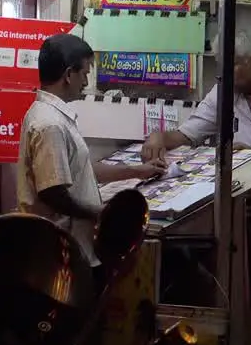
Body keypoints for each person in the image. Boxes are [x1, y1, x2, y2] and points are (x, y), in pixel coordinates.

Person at [18, 34, 164, 266]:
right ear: (68, 75)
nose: (86, 82)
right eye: (84, 74)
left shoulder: (52, 116)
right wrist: (102, 213)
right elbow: (52, 193)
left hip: (70, 249)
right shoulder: (50, 124)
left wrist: (137, 171)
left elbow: (79, 168)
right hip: (60, 253)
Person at [143, 33, 251, 161]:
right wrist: (159, 137)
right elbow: (189, 133)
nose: (222, 73)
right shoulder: (223, 90)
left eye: (230, 65)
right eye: (220, 66)